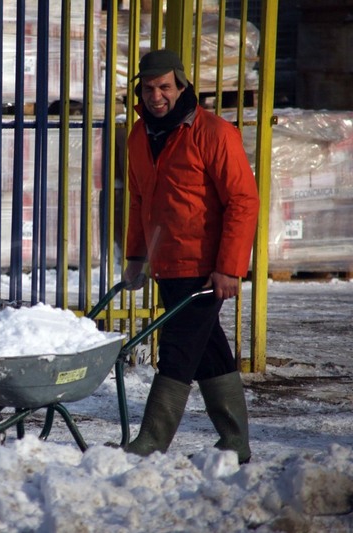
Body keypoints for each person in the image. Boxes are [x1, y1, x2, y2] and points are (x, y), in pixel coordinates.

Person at [120, 49, 260, 464]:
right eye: (148, 88)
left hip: (204, 267)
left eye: (165, 86)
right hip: (167, 265)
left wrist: (229, 268)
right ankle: (235, 441)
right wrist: (135, 258)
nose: (156, 95)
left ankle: (151, 441)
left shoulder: (215, 133)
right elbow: (138, 201)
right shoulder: (138, 137)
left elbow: (242, 201)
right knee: (209, 350)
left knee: (178, 353)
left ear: (181, 86)